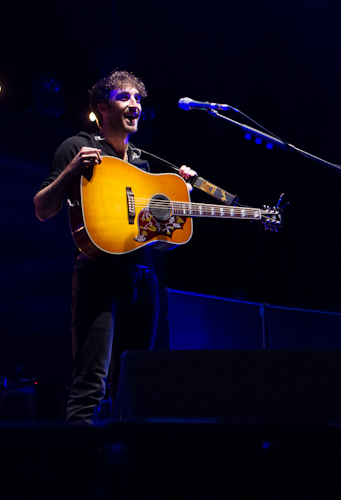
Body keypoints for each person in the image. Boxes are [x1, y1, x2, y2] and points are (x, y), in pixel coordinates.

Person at [34, 70, 196, 424]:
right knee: (90, 385)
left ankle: (124, 466)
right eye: (124, 97)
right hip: (99, 275)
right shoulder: (78, 147)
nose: (134, 105)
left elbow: (161, 240)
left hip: (144, 280)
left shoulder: (144, 165)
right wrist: (72, 170)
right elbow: (43, 209)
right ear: (101, 108)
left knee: (135, 384)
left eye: (138, 99)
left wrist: (180, 199)